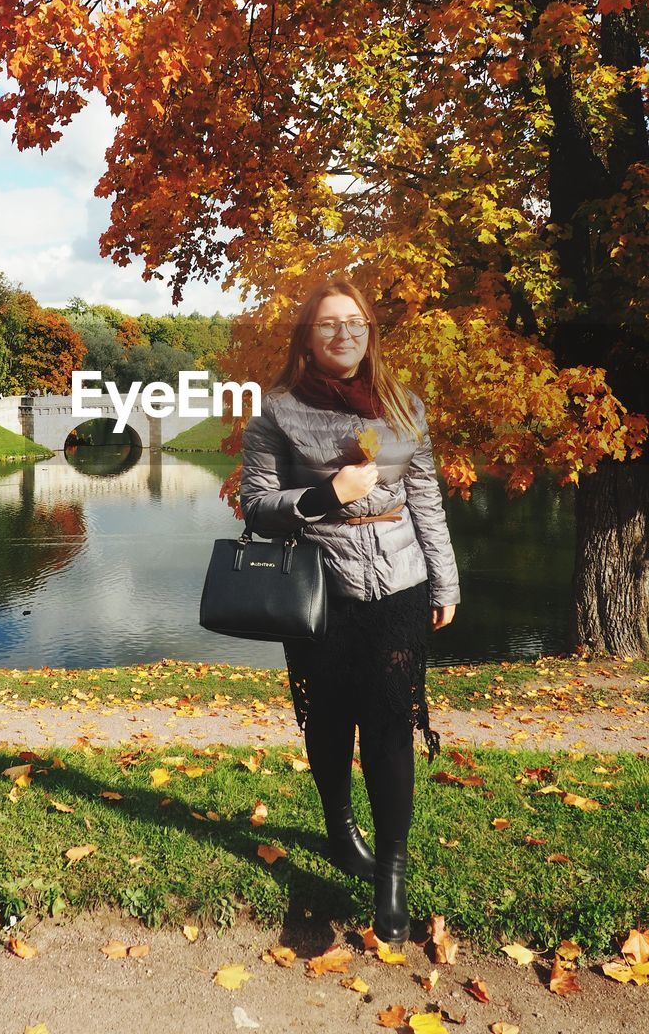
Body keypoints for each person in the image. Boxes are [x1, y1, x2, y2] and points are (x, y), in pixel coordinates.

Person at [239, 278, 460, 948]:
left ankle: (389, 875)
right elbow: (256, 504)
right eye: (329, 324)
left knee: (392, 724)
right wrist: (326, 493)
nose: (344, 333)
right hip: (320, 586)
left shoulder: (403, 405)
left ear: (371, 332)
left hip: (399, 584)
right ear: (307, 336)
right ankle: (341, 829)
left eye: (356, 322)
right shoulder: (276, 413)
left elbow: (425, 496)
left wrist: (444, 582)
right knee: (330, 719)